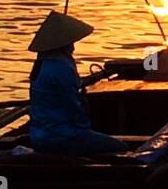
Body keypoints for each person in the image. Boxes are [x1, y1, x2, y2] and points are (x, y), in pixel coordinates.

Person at [27, 10, 127, 156]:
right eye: (70, 43)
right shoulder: (62, 67)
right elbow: (73, 109)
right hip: (64, 138)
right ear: (63, 45)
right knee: (121, 148)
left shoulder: (40, 64)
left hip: (38, 136)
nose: (73, 47)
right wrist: (85, 125)